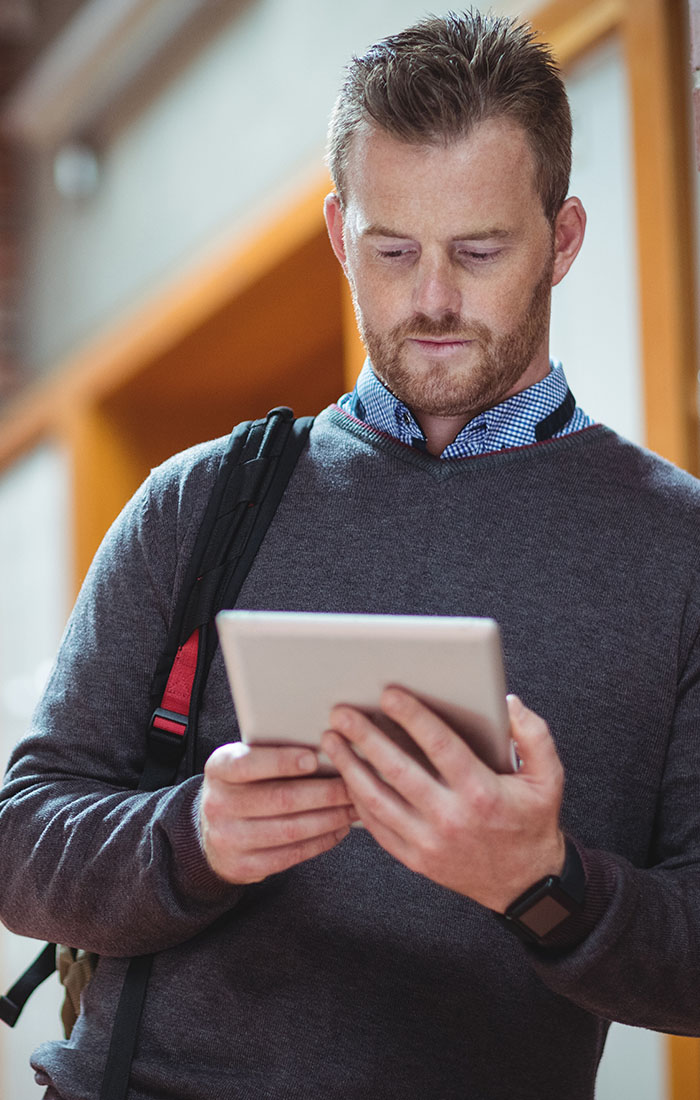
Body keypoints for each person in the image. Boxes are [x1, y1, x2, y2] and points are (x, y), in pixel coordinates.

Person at [1, 9, 700, 1099]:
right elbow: (22, 843)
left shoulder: (678, 548)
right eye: (391, 250)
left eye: (478, 251)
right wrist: (194, 835)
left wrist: (541, 881)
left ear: (562, 239)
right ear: (340, 234)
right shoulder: (198, 500)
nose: (429, 298)